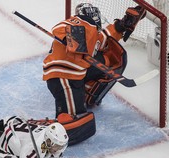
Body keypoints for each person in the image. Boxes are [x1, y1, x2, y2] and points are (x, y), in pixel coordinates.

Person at [42, 3, 146, 141]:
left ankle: (86, 92)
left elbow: (107, 35)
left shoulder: (94, 36)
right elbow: (58, 28)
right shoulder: (81, 23)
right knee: (74, 118)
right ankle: (46, 130)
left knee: (109, 60)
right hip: (62, 75)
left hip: (76, 74)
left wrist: (122, 24)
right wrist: (73, 37)